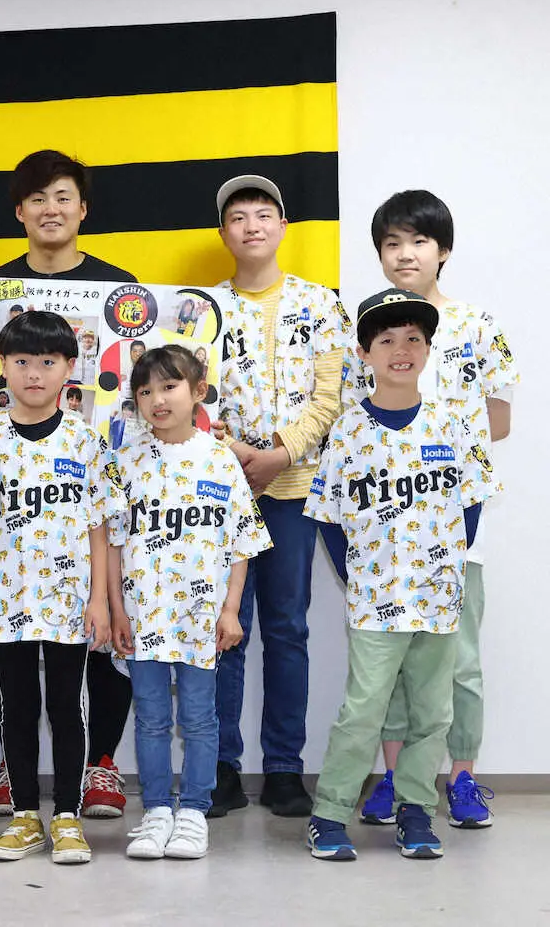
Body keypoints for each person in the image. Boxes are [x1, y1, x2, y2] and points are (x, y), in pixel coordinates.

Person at [0, 150, 140, 818]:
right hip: (15, 480)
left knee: (100, 633)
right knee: (12, 648)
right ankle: (14, 767)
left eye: (63, 196)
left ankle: (99, 764)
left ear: (83, 208)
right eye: (37, 198)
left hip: (96, 475)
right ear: (19, 211)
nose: (51, 209)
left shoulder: (120, 287)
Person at [304, 288, 497, 861]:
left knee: (434, 713)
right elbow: (329, 517)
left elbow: (471, 503)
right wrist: (361, 577)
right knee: (364, 709)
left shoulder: (451, 423)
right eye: (386, 339)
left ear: (429, 348)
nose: (401, 349)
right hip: (375, 600)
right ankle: (329, 813)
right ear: (365, 354)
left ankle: (416, 811)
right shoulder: (348, 431)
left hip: (438, 599)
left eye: (413, 337)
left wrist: (440, 563)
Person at [346, 191, 519, 829]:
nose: (405, 254)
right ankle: (394, 779)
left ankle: (462, 778)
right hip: (386, 529)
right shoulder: (366, 329)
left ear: (442, 250)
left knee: (459, 658)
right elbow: (356, 425)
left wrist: (436, 448)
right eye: (391, 243)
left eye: (418, 241)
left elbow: (499, 421)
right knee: (391, 664)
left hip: (455, 522)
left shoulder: (477, 325)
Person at [0, 311, 122, 863]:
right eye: (21, 361)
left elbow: (99, 525)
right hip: (6, 597)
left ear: (70, 367)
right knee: (18, 709)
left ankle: (67, 817)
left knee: (67, 708)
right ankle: (25, 816)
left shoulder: (85, 440)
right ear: (2, 366)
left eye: (47, 361)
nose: (34, 373)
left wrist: (99, 600)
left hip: (68, 599)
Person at [210, 174, 353, 818]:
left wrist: (278, 455)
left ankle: (285, 770)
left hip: (295, 491)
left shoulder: (321, 304)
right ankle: (220, 767)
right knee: (224, 630)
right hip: (223, 491)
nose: (252, 226)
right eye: (238, 217)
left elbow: (332, 397)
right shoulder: (202, 309)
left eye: (263, 214)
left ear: (283, 227)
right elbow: (191, 399)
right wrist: (239, 458)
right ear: (224, 233)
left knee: (288, 628)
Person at [109, 345, 270, 860]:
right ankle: (157, 810)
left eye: (169, 386)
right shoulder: (125, 462)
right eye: (145, 391)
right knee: (151, 718)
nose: (158, 399)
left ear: (198, 391)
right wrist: (116, 610)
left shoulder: (220, 459)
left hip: (201, 619)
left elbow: (241, 542)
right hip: (143, 617)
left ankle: (194, 812)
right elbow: (111, 542)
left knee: (200, 719)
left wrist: (231, 610)